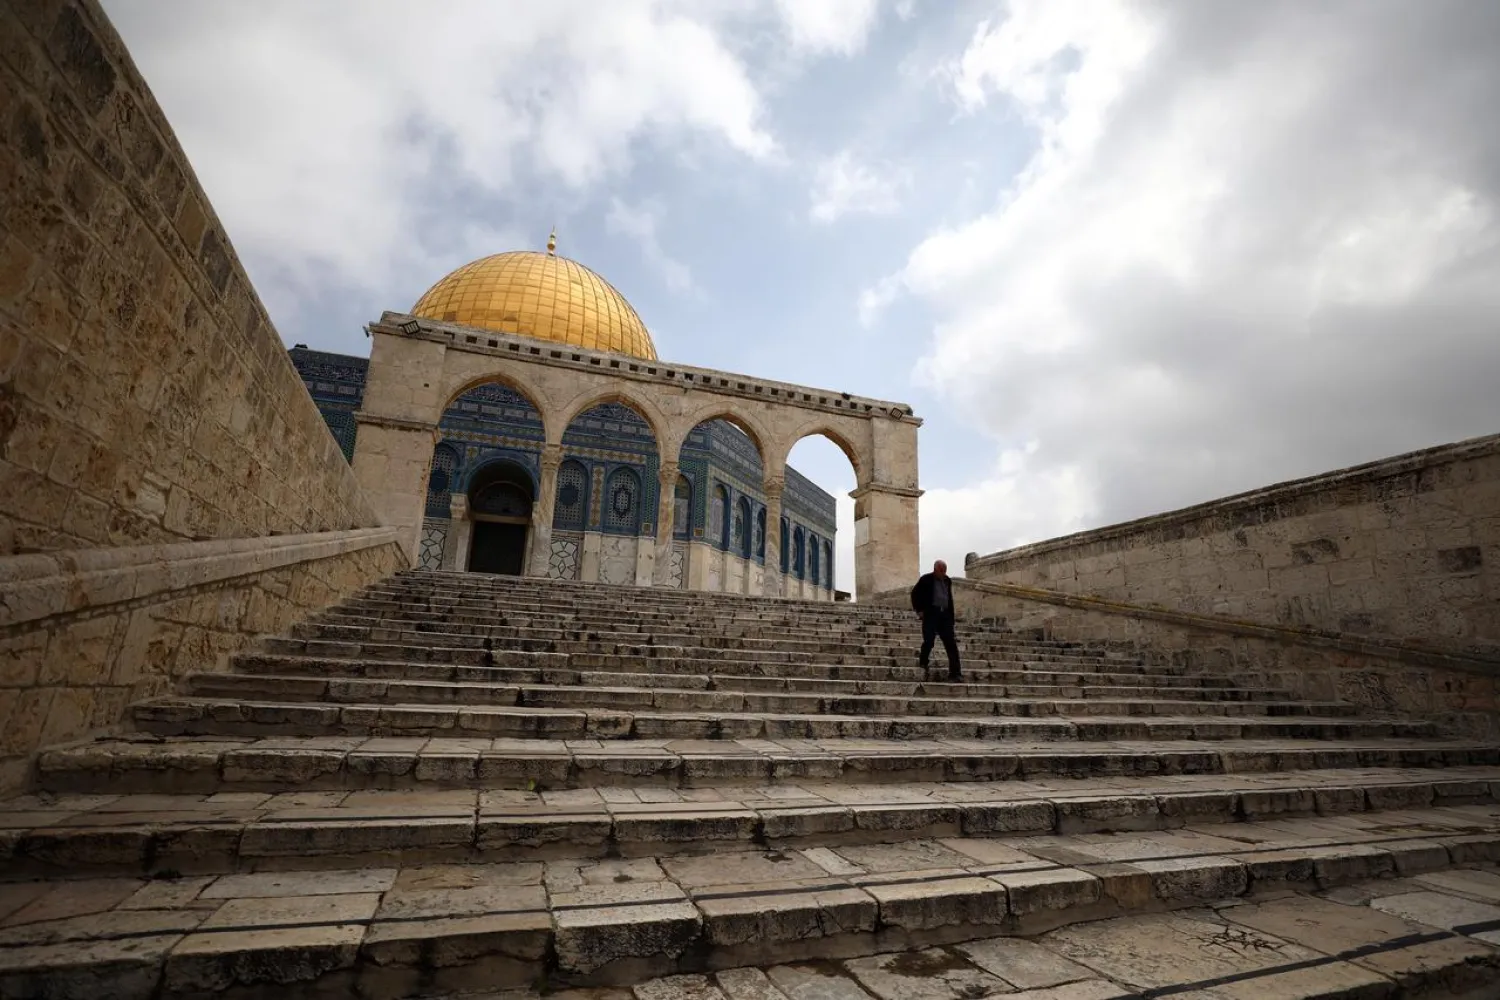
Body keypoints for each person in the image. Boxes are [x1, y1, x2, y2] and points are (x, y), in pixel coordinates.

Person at [909, 559, 962, 681]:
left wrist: (951, 617)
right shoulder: (926, 579)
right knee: (928, 640)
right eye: (941, 571)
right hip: (931, 614)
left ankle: (956, 673)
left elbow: (949, 599)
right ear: (935, 569)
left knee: (951, 644)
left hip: (945, 616)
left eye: (945, 571)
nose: (943, 573)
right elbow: (914, 594)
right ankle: (923, 661)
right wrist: (919, 610)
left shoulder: (948, 581)